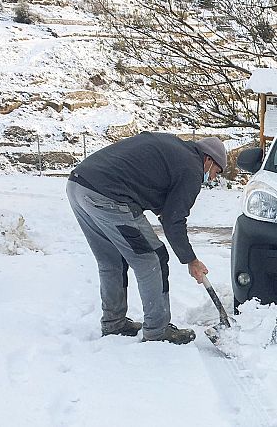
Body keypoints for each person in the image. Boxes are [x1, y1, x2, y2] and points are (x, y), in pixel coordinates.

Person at [66, 132, 227, 344]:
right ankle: (157, 330)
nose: (212, 178)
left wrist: (170, 219)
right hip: (110, 196)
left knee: (111, 259)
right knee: (154, 258)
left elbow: (163, 204)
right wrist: (191, 260)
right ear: (208, 159)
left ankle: (114, 323)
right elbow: (173, 220)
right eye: (216, 172)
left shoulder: (177, 151)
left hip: (78, 185)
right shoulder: (192, 168)